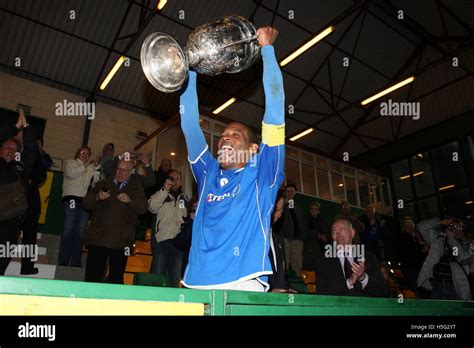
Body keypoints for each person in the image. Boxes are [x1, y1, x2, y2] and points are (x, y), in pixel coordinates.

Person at [179, 26, 284, 291]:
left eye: (235, 135)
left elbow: (275, 110)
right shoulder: (208, 173)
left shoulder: (262, 174)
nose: (225, 138)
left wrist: (267, 50)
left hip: (243, 282)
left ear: (252, 149)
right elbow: (189, 123)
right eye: (223, 134)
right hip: (197, 284)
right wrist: (189, 69)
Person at [83, 159, 147, 284]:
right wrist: (97, 197)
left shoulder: (136, 187)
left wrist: (130, 200)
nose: (120, 172)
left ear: (130, 172)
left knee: (116, 279)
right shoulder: (102, 183)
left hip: (122, 241)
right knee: (92, 277)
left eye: (124, 170)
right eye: (118, 169)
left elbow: (143, 208)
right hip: (98, 239)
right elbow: (86, 203)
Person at [0, 110, 36, 275]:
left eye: (14, 150)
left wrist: (26, 126)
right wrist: (16, 127)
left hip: (10, 224)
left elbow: (32, 150)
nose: (10, 151)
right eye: (7, 147)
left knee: (2, 261)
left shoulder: (20, 169)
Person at [315, 219, 388, 297]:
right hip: (338, 307)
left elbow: (382, 291)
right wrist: (348, 282)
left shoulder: (368, 258)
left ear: (352, 233)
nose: (338, 234)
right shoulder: (323, 262)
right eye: (334, 232)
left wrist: (363, 277)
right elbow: (321, 294)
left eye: (341, 230)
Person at [58, 146, 98, 267]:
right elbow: (71, 174)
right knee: (68, 228)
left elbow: (96, 182)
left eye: (87, 153)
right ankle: (63, 260)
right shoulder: (71, 163)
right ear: (77, 154)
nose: (85, 154)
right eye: (82, 152)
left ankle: (76, 261)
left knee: (81, 232)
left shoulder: (91, 167)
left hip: (84, 201)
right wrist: (86, 165)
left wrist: (97, 167)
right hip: (71, 198)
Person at [148, 169, 188, 287]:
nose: (174, 181)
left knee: (175, 278)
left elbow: (187, 218)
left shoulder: (185, 198)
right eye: (171, 178)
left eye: (177, 179)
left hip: (178, 243)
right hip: (162, 241)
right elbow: (152, 207)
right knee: (157, 277)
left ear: (181, 182)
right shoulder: (161, 194)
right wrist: (164, 190)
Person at [417, 218, 472, 301]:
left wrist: (451, 239)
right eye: (453, 228)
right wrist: (440, 222)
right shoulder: (439, 240)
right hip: (437, 285)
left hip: (456, 288)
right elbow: (421, 227)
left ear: (463, 232)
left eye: (459, 229)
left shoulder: (467, 245)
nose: (456, 231)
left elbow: (463, 258)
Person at [20, 136, 52, 274]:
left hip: (31, 199)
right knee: (8, 232)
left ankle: (27, 267)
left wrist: (40, 151)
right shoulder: (19, 153)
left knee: (30, 235)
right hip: (15, 197)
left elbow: (47, 164)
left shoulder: (40, 159)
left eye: (39, 144)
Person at [269, 193, 295, 293]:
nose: (272, 213)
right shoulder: (252, 237)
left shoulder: (278, 240)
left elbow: (282, 273)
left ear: (281, 214)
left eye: (277, 210)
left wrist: (287, 287)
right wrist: (269, 291)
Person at [278, 183, 306, 275]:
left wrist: (302, 236)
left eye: (292, 191)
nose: (290, 193)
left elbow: (301, 222)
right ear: (285, 193)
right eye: (288, 191)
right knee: (284, 261)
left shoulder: (298, 206)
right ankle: (283, 282)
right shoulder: (281, 204)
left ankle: (297, 282)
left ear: (295, 193)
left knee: (297, 263)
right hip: (285, 238)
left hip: (297, 239)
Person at [399, 219, 428, 292]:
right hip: (411, 268)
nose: (410, 229)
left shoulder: (416, 236)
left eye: (411, 227)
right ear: (405, 228)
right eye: (408, 227)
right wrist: (422, 250)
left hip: (418, 266)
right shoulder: (404, 238)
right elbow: (409, 253)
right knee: (415, 287)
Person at [303, 202, 329, 271]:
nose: (313, 210)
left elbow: (326, 233)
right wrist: (316, 234)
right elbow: (303, 232)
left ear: (318, 211)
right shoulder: (305, 219)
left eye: (315, 209)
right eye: (312, 209)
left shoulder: (322, 221)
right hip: (309, 248)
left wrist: (324, 237)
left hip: (321, 248)